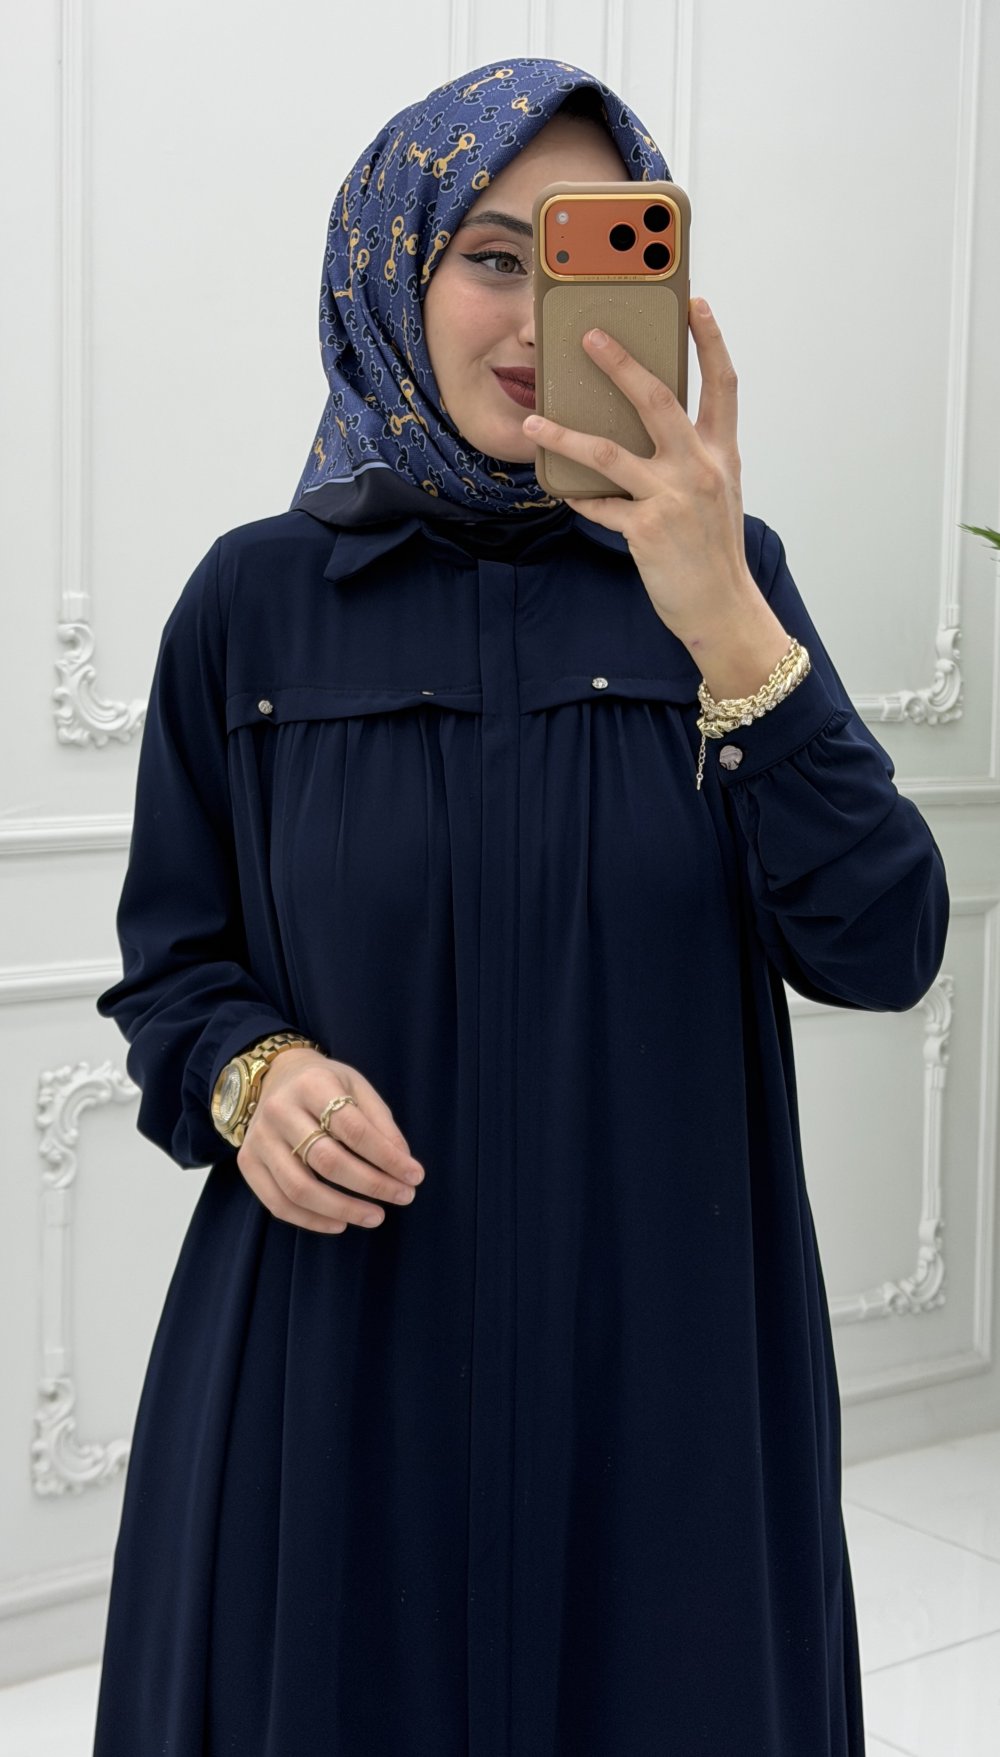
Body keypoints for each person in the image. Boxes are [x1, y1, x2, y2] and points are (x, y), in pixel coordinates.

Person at [91, 55, 948, 1756]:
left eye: (594, 257)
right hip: (338, 1364)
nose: (538, 316)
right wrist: (252, 1078)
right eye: (494, 254)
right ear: (394, 267)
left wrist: (725, 620)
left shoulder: (729, 577)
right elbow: (173, 970)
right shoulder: (255, 603)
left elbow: (884, 944)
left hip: (665, 1371)